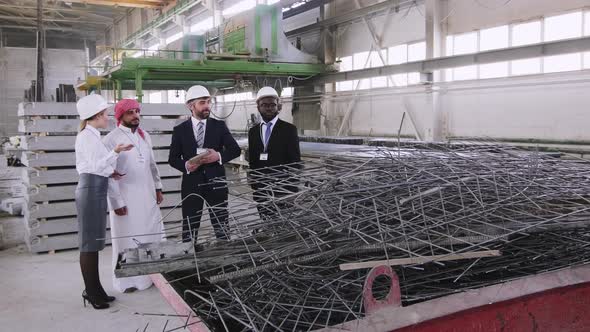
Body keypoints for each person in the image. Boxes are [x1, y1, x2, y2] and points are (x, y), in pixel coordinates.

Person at [74, 94, 133, 309]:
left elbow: (99, 166)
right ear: (96, 116)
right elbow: (95, 166)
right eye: (105, 114)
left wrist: (112, 171)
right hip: (90, 190)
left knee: (95, 243)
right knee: (89, 245)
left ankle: (96, 289)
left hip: (95, 187)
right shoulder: (86, 137)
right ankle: (91, 292)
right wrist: (115, 151)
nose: (108, 117)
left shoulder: (93, 135)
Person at [103, 99, 165, 293]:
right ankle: (127, 281)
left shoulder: (144, 135)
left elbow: (152, 165)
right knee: (127, 239)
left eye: (137, 111)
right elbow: (108, 173)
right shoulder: (111, 140)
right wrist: (115, 202)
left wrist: (158, 188)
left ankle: (152, 276)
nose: (136, 116)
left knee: (150, 234)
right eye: (130, 112)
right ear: (120, 116)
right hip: (125, 197)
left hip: (147, 194)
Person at [168, 85, 241, 243]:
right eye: (202, 102)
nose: (207, 106)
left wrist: (219, 156)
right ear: (190, 106)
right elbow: (172, 158)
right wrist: (186, 166)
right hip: (192, 185)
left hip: (217, 183)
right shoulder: (180, 130)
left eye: (209, 102)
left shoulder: (219, 126)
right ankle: (189, 258)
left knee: (221, 224)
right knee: (190, 226)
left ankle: (225, 254)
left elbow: (235, 150)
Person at [248, 87, 301, 221]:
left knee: (283, 224)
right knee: (266, 221)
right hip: (261, 189)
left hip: (282, 188)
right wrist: (255, 186)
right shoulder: (253, 132)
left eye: (272, 105)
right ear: (258, 107)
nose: (269, 108)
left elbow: (295, 162)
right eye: (264, 105)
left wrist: (292, 190)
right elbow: (253, 160)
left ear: (278, 107)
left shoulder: (289, 130)